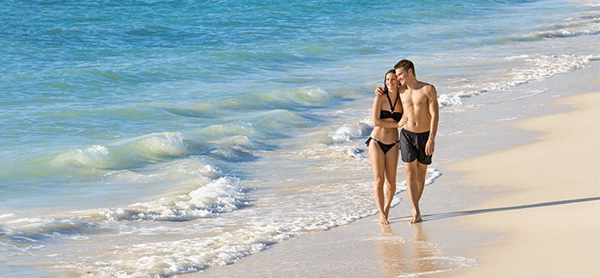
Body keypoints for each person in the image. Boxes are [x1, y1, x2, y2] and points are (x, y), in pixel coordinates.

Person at [376, 59, 439, 224]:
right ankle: (415, 211)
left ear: (410, 71)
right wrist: (379, 90)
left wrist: (431, 138)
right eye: (396, 76)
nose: (397, 79)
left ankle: (415, 205)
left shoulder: (428, 89)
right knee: (410, 173)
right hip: (407, 135)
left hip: (425, 136)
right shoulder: (400, 90)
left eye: (400, 75)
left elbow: (435, 115)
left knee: (421, 175)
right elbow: (387, 93)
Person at [367, 69, 408, 225]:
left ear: (398, 81)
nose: (389, 83)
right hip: (376, 141)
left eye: (392, 79)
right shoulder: (380, 97)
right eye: (387, 80)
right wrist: (396, 124)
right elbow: (376, 121)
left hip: (393, 144)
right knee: (379, 180)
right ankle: (381, 214)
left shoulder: (402, 97)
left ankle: (387, 209)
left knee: (391, 182)